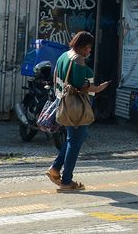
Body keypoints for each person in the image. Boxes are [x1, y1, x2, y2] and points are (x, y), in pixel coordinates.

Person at [45, 31, 110, 192]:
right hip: (75, 108)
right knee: (75, 142)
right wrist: (100, 88)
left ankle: (55, 169)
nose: (89, 51)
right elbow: (83, 86)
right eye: (88, 47)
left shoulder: (64, 56)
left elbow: (57, 78)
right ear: (81, 46)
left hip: (63, 104)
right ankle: (66, 181)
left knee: (73, 139)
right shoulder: (78, 60)